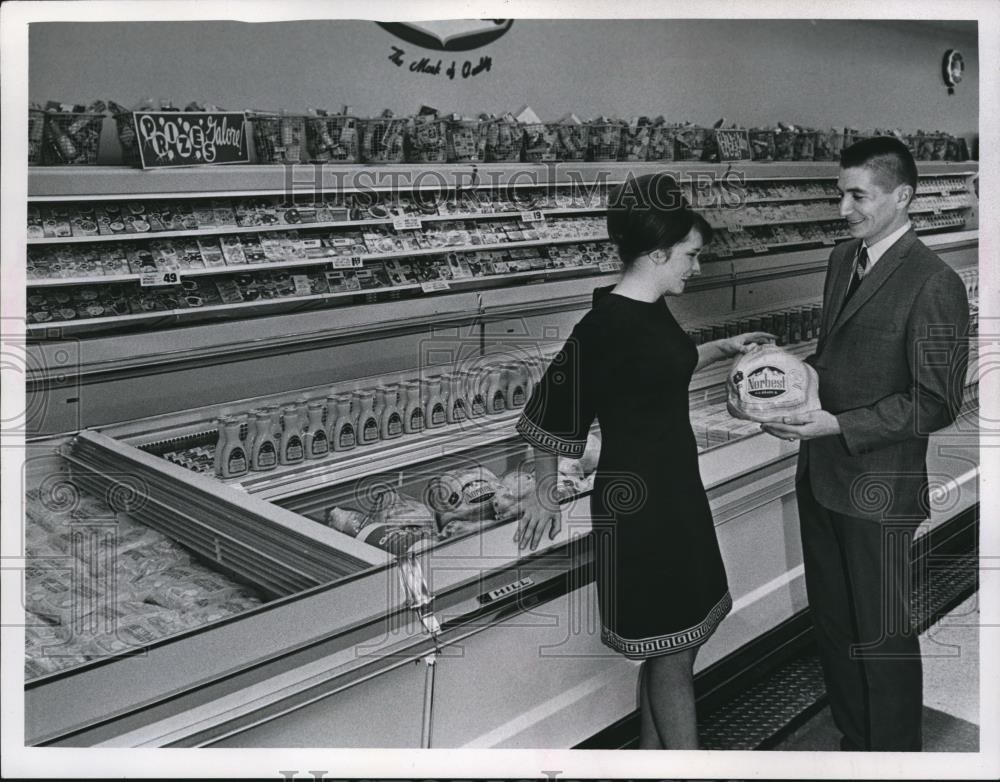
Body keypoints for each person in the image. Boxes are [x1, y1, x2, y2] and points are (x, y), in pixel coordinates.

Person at [514, 173, 773, 749]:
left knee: (674, 646)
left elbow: (659, 365)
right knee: (673, 654)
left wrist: (720, 349)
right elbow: (549, 409)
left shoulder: (649, 308)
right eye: (690, 256)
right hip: (640, 509)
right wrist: (542, 490)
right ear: (657, 253)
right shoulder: (603, 326)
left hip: (674, 494)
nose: (696, 268)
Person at [761, 137, 970, 751]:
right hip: (821, 473)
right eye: (840, 194)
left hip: (878, 484)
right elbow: (836, 361)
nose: (844, 209)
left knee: (881, 631)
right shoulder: (840, 261)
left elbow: (937, 401)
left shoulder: (934, 282)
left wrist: (839, 426)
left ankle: (896, 752)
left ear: (902, 196)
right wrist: (780, 378)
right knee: (833, 621)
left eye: (858, 196)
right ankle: (858, 740)